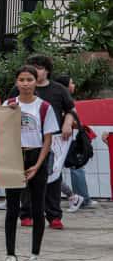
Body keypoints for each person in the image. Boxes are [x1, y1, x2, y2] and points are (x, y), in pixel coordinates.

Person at [7, 55, 76, 230]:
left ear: (47, 70)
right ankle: (26, 213)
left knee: (52, 177)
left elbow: (71, 110)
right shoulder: (17, 91)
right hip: (24, 141)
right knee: (25, 178)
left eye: (39, 67)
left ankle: (54, 215)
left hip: (53, 140)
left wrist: (68, 122)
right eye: (32, 67)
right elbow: (5, 111)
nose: (36, 72)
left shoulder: (59, 90)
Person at [2, 66, 58, 261]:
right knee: (12, 209)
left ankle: (35, 255)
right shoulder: (9, 106)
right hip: (14, 157)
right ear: (16, 82)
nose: (25, 83)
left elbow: (48, 139)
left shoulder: (44, 107)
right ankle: (10, 255)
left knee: (37, 209)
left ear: (36, 82)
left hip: (37, 157)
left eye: (29, 79)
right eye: (21, 79)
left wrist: (37, 165)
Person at [54, 74, 97, 212]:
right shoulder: (62, 101)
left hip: (68, 141)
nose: (74, 85)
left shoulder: (62, 100)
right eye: (71, 83)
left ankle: (80, 198)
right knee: (74, 168)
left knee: (71, 169)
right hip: (65, 141)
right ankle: (81, 198)